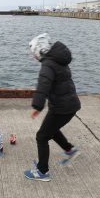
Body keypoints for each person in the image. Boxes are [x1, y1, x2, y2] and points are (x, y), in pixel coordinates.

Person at [24, 33, 81, 181]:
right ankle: (70, 150)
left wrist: (37, 105)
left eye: (33, 53)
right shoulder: (59, 60)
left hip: (61, 108)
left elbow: (43, 85)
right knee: (51, 129)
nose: (33, 56)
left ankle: (42, 171)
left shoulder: (47, 65)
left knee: (41, 136)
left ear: (39, 50)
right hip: (70, 105)